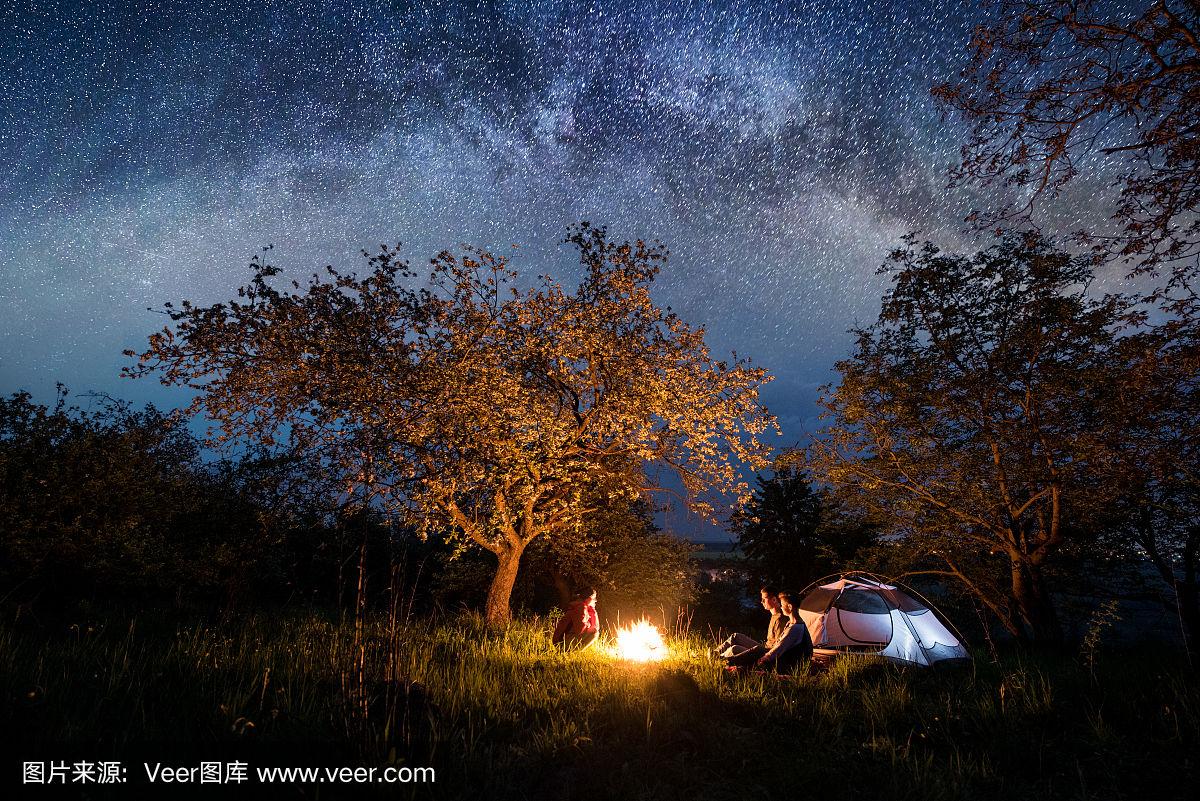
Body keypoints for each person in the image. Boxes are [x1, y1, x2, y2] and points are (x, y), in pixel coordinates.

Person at [714, 586, 786, 667]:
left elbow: (778, 647)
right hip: (764, 648)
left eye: (764, 599)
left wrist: (762, 655)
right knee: (736, 636)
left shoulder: (781, 619)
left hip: (766, 653)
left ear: (774, 599)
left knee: (734, 649)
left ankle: (719, 661)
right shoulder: (774, 615)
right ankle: (715, 653)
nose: (761, 602)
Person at [755, 591, 813, 673]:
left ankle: (733, 664)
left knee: (755, 653)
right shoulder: (791, 623)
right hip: (786, 660)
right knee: (756, 651)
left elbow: (779, 648)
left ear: (789, 607)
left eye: (782, 605)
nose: (781, 607)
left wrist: (764, 658)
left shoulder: (795, 627)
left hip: (789, 666)